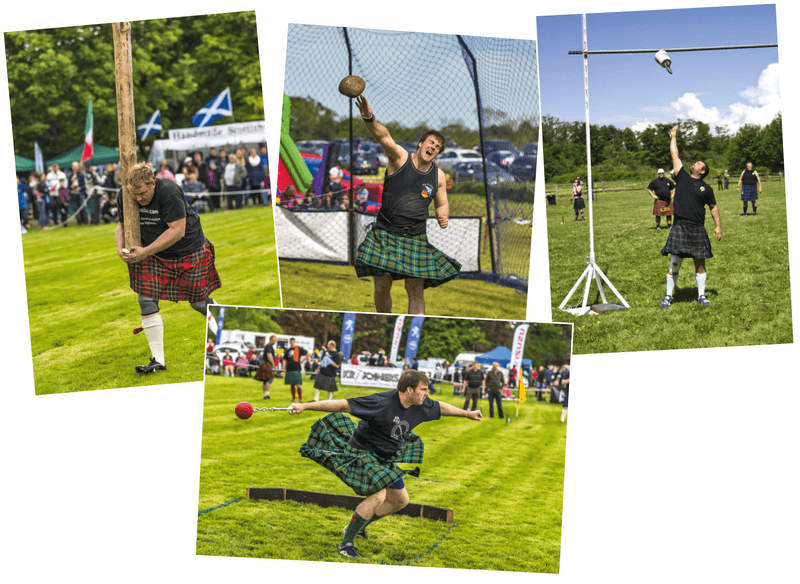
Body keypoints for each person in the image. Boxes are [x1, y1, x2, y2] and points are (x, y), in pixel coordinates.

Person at [291, 369, 482, 559]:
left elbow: (440, 408)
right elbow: (342, 405)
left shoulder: (421, 404)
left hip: (385, 458)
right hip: (362, 453)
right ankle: (346, 545)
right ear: (409, 390)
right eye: (423, 389)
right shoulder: (381, 403)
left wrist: (468, 414)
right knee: (378, 495)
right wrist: (304, 406)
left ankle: (356, 527)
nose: (427, 393)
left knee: (400, 501)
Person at [353, 95, 460, 315]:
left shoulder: (438, 175)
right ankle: (385, 320)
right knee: (382, 285)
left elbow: (442, 202)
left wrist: (443, 214)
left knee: (415, 290)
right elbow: (384, 137)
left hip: (415, 236)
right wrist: (369, 118)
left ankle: (415, 327)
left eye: (438, 147)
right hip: (386, 232)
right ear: (421, 144)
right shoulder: (400, 158)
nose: (433, 147)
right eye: (431, 143)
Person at [115, 163, 221, 373]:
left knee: (199, 303)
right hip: (154, 255)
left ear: (152, 184)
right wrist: (120, 249)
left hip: (188, 250)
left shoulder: (168, 191)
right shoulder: (126, 195)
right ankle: (158, 361)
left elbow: (177, 230)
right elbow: (122, 225)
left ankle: (222, 329)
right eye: (134, 194)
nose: (138, 199)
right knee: (145, 299)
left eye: (142, 193)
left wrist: (145, 251)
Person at [659, 127, 721, 308]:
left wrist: (718, 226)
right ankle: (669, 296)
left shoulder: (706, 188)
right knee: (675, 262)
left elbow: (713, 207)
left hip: (697, 227)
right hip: (680, 225)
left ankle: (701, 296)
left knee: (700, 263)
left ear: (702, 171)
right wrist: (674, 137)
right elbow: (675, 155)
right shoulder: (682, 176)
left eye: (699, 163)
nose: (695, 163)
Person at [283, 337, 309, 402]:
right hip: (289, 369)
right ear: (290, 342)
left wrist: (302, 360)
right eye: (291, 342)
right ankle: (293, 398)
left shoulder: (298, 349)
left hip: (296, 368)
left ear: (295, 342)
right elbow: (284, 360)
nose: (292, 343)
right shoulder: (288, 350)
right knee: (291, 384)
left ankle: (300, 398)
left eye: (293, 342)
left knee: (298, 384)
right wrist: (283, 369)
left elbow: (308, 353)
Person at [255, 335, 277, 399]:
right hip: (267, 364)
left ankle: (265, 395)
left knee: (265, 380)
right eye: (274, 340)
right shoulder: (269, 346)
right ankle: (266, 395)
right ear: (271, 339)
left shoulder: (268, 345)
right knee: (269, 379)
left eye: (276, 340)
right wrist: (273, 363)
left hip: (265, 363)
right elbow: (269, 355)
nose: (275, 341)